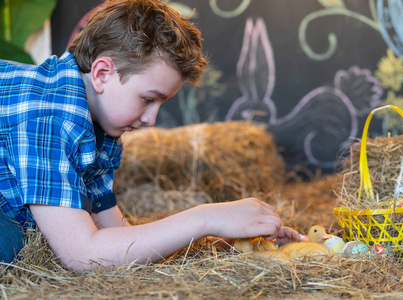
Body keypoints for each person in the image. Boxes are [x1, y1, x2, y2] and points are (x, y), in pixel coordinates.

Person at [0, 0, 300, 273]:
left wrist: (216, 242)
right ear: (102, 73)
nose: (151, 119)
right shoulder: (49, 113)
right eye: (147, 99)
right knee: (11, 242)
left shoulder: (98, 122)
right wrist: (206, 217)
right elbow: (84, 256)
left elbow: (115, 234)